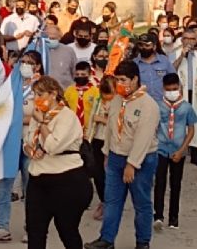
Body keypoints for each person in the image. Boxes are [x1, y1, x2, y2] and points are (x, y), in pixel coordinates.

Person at [86, 61, 160, 249]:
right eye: (118, 79)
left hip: (140, 160)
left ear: (135, 79)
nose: (120, 84)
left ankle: (143, 242)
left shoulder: (148, 105)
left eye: (123, 80)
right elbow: (111, 127)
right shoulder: (118, 99)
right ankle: (107, 239)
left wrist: (132, 164)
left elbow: (143, 138)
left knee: (141, 202)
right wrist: (106, 153)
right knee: (112, 200)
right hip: (115, 156)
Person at [23, 76, 93, 249]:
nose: (36, 99)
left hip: (66, 179)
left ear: (53, 94)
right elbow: (26, 140)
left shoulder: (67, 117)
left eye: (40, 94)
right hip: (38, 178)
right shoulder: (38, 114)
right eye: (34, 95)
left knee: (66, 230)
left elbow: (54, 145)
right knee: (35, 231)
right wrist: (31, 150)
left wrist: (42, 124)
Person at [0, 50, 38, 243]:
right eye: (22, 61)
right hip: (9, 142)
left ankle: (32, 228)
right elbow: (0, 112)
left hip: (31, 144)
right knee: (3, 185)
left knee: (31, 188)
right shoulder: (10, 85)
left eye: (29, 62)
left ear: (37, 66)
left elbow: (45, 116)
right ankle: (2, 226)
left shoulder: (43, 87)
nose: (24, 65)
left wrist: (16, 119)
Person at [153, 73, 197, 230]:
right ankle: (158, 215)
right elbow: (153, 127)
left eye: (174, 89)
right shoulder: (157, 106)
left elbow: (191, 129)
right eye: (168, 89)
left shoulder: (186, 107)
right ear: (163, 89)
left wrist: (182, 149)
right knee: (160, 182)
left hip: (179, 149)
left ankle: (174, 217)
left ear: (179, 88)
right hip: (161, 149)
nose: (172, 91)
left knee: (176, 183)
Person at [172, 30, 197, 166]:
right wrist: (182, 56)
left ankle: (195, 154)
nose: (189, 41)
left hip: (196, 93)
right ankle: (178, 150)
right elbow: (171, 69)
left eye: (192, 39)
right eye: (186, 38)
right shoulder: (174, 54)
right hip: (180, 93)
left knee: (196, 122)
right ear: (182, 40)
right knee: (179, 122)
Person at [88, 76, 117, 221]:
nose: (107, 98)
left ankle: (111, 204)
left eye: (110, 94)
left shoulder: (120, 102)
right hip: (97, 140)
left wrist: (102, 119)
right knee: (97, 174)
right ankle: (104, 201)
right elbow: (92, 119)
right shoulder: (99, 101)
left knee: (110, 174)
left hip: (112, 142)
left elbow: (118, 122)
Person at [134, 33, 176, 103]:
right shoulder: (134, 64)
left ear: (154, 47)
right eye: (140, 45)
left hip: (163, 103)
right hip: (142, 104)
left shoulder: (164, 60)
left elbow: (174, 80)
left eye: (147, 45)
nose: (143, 48)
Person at [64, 61, 99, 135]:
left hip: (89, 130)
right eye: (77, 74)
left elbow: (97, 110)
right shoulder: (69, 90)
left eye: (83, 74)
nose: (80, 76)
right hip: (72, 128)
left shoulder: (95, 91)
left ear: (89, 75)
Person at [45, 25, 77, 89]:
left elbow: (74, 71)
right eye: (48, 38)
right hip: (45, 93)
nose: (50, 40)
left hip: (65, 91)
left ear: (59, 37)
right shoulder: (40, 51)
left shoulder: (68, 50)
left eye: (53, 38)